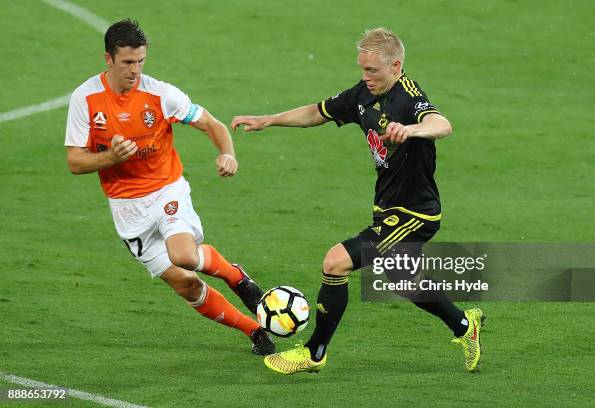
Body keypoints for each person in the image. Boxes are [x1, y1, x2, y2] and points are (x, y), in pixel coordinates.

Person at [232, 28, 484, 373]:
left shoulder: (408, 98)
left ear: (396, 66)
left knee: (336, 262)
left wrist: (410, 130)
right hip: (387, 207)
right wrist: (268, 120)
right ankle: (465, 326)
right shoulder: (364, 94)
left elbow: (442, 124)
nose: (365, 78)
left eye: (372, 71)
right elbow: (318, 112)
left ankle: (314, 353)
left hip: (415, 213)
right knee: (402, 279)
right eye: (362, 69)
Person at [64, 19, 274, 355]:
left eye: (141, 61)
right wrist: (111, 158)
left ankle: (237, 278)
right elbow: (75, 162)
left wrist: (227, 153)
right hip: (127, 209)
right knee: (187, 285)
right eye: (127, 63)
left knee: (184, 256)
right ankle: (255, 331)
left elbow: (211, 124)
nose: (135, 70)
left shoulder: (160, 94)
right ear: (108, 59)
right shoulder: (85, 99)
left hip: (166, 190)